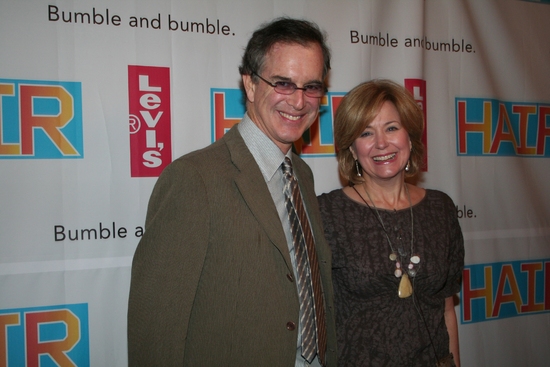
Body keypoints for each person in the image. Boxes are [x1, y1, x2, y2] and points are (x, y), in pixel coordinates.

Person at [127, 17, 337, 367]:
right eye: (283, 83)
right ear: (250, 85)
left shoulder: (302, 174)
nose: (299, 101)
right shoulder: (194, 179)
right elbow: (156, 331)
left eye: (312, 87)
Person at [318, 79, 464, 366]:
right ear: (351, 148)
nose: (381, 143)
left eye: (392, 128)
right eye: (366, 132)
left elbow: (446, 309)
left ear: (409, 137)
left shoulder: (440, 208)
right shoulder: (326, 212)